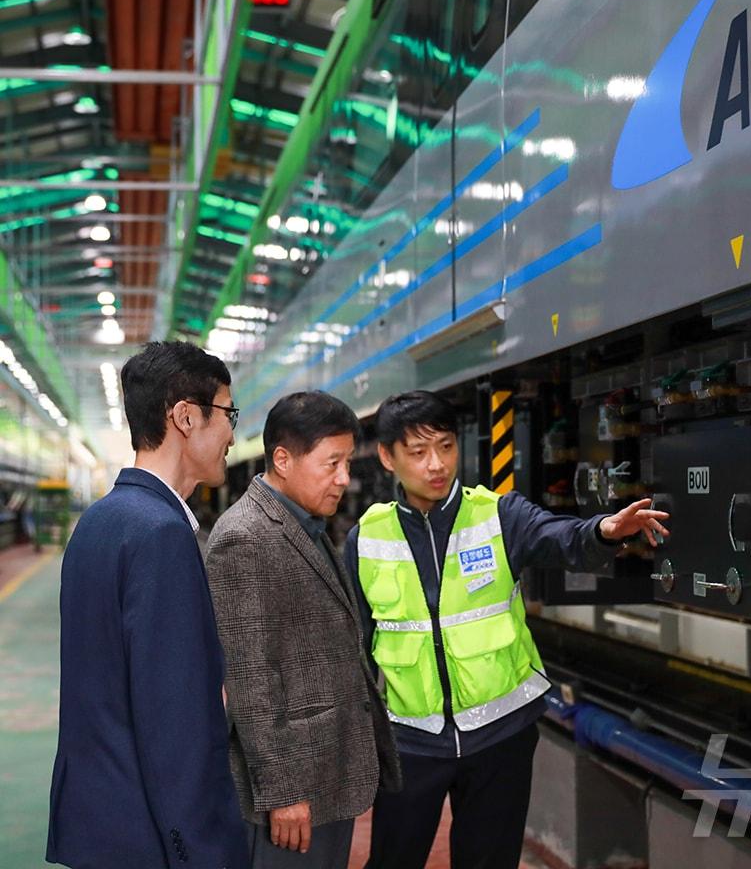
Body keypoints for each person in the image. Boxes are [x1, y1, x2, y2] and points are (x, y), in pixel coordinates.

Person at [344, 390, 670, 869]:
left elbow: (559, 536)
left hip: (500, 736)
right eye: (418, 452)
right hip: (410, 739)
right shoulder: (368, 538)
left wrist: (602, 530)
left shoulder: (498, 515)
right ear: (388, 458)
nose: (436, 464)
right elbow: (358, 644)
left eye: (446, 447)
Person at [46, 341, 248, 869]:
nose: (233, 433)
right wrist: (202, 850)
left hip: (100, 824)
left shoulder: (99, 521)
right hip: (152, 839)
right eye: (228, 413)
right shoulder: (160, 534)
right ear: (185, 417)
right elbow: (174, 725)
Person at [205, 391, 400, 869]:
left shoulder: (305, 523)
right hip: (294, 793)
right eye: (331, 463)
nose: (343, 479)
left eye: (347, 463)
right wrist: (283, 791)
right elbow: (250, 680)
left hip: (327, 773)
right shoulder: (243, 538)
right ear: (283, 460)